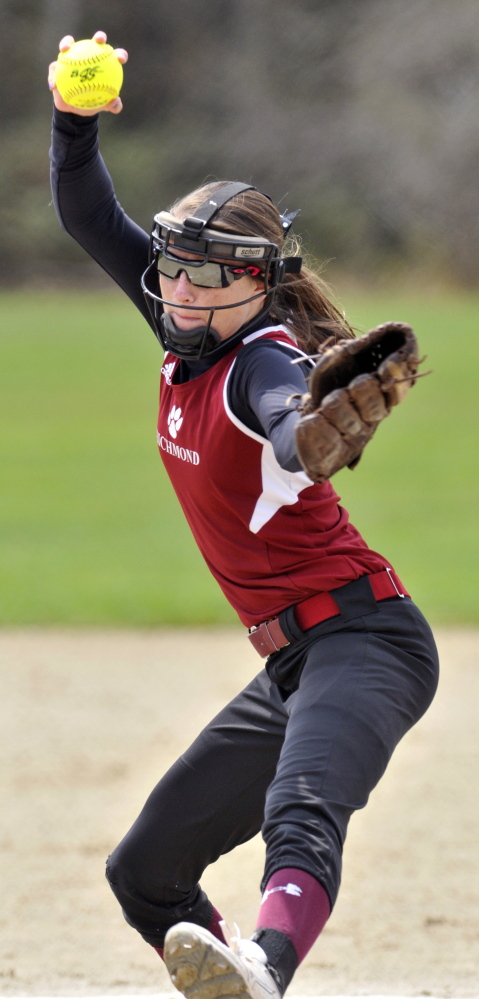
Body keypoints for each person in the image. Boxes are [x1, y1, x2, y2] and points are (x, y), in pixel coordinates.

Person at [48, 32, 439, 999]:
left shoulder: (262, 358)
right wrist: (73, 120)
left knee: (302, 809)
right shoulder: (187, 319)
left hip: (368, 639)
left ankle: (265, 965)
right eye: (173, 267)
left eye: (205, 273)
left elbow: (283, 422)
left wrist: (310, 434)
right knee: (144, 875)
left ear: (256, 283)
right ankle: (227, 971)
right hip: (291, 660)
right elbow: (89, 213)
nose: (178, 287)